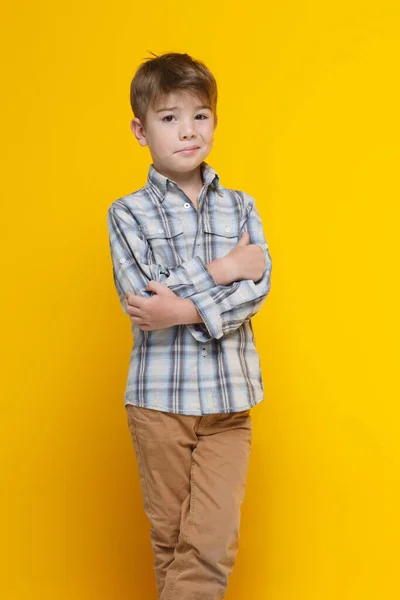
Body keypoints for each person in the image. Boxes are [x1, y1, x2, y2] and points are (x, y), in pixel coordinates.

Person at [107, 51, 273, 600]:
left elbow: (258, 290)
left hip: (229, 403)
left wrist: (179, 306)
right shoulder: (127, 213)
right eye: (169, 117)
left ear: (215, 121)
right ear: (141, 129)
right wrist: (224, 270)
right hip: (159, 405)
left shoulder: (241, 207)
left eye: (200, 115)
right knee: (173, 539)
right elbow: (142, 299)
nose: (187, 131)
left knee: (210, 542)